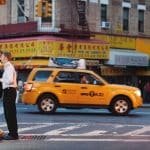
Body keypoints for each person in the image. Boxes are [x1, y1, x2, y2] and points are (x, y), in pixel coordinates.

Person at [0, 51, 18, 140]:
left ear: (6, 58)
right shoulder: (7, 67)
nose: (0, 58)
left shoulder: (9, 67)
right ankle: (12, 133)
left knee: (10, 113)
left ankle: (13, 134)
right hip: (8, 91)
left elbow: (10, 80)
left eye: (1, 56)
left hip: (9, 91)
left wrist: (1, 80)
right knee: (8, 113)